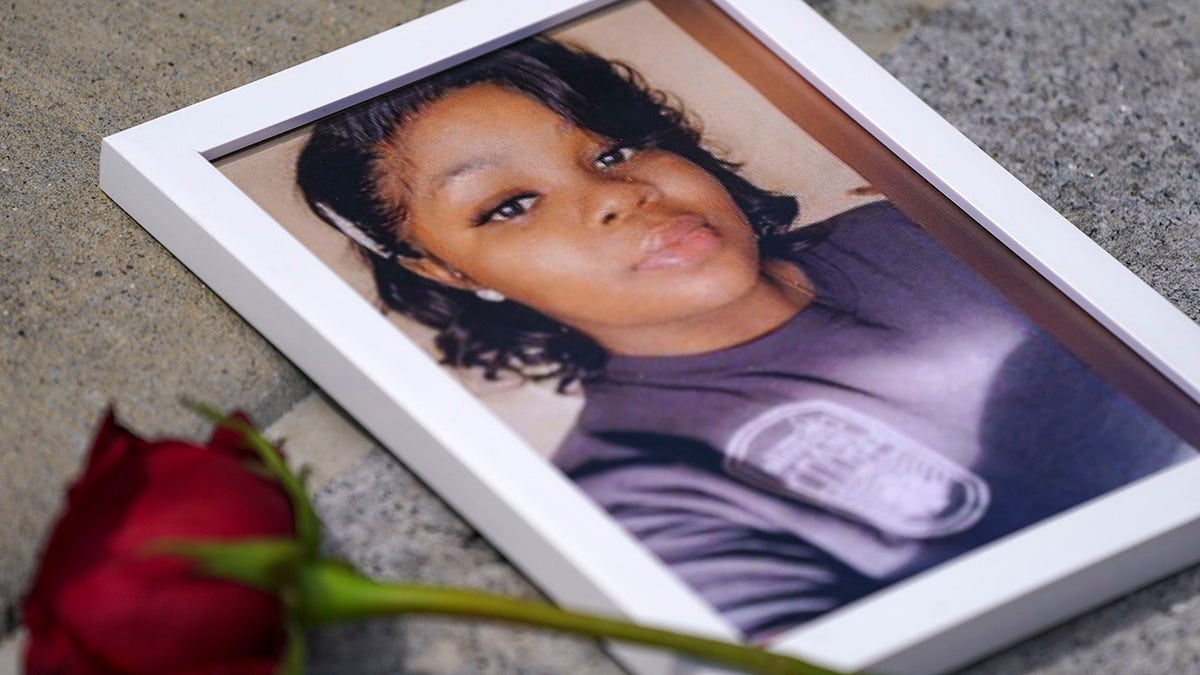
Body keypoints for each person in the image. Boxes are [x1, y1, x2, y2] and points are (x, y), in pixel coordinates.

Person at [296, 37, 1193, 641]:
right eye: (510, 205)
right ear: (449, 272)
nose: (617, 195)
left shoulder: (920, 227)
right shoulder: (638, 496)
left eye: (609, 152)